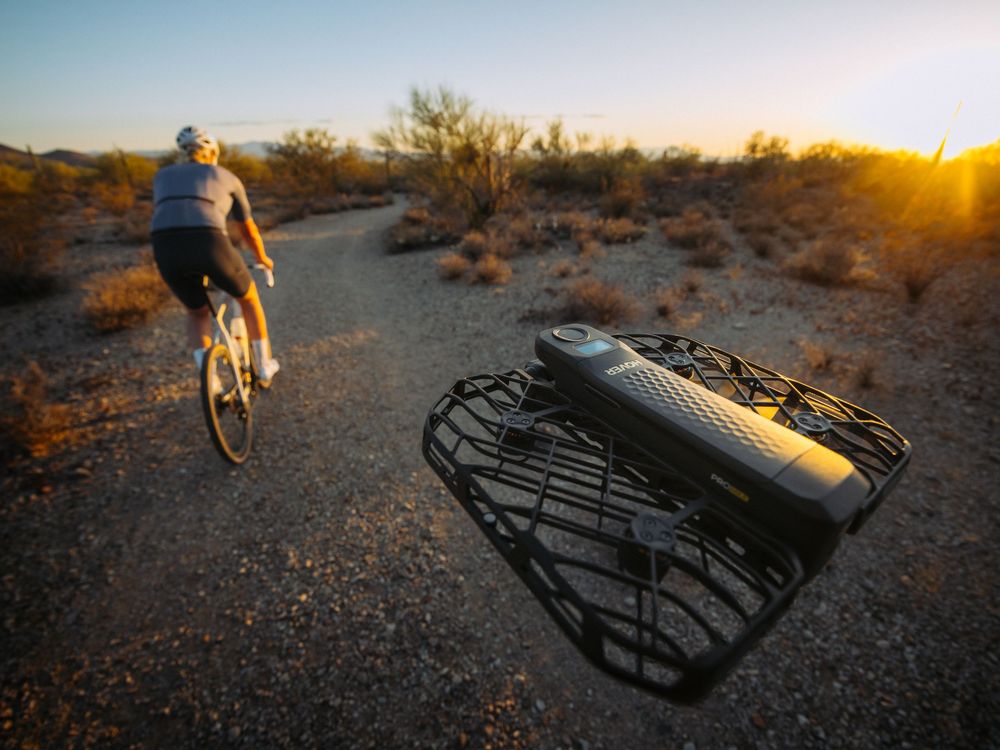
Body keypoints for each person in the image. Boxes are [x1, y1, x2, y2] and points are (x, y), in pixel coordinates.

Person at [150, 126, 280, 386]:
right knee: (249, 298)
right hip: (208, 240)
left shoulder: (161, 176)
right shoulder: (226, 176)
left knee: (197, 313)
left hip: (164, 244)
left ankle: (210, 382)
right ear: (212, 152)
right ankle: (264, 366)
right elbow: (248, 229)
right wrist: (263, 258)